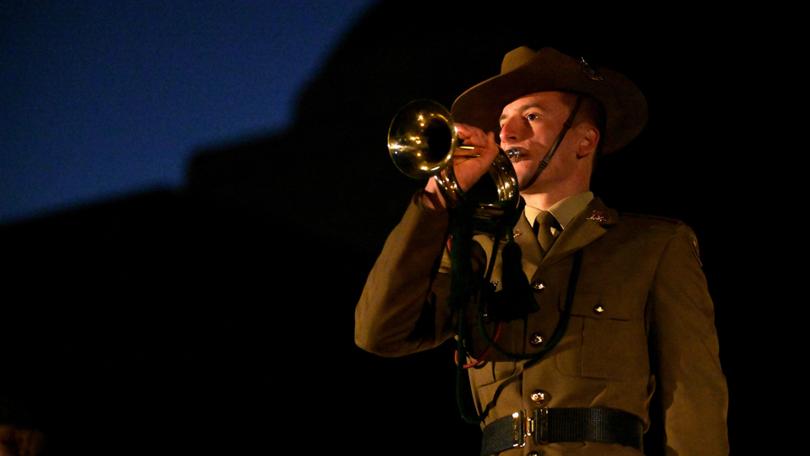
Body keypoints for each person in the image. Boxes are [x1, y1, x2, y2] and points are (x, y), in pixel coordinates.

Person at [355, 46, 728, 455]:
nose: (508, 135)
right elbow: (379, 334)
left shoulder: (654, 245)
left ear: (584, 141)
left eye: (531, 117)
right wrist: (437, 198)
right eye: (503, 124)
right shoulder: (476, 254)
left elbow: (694, 393)